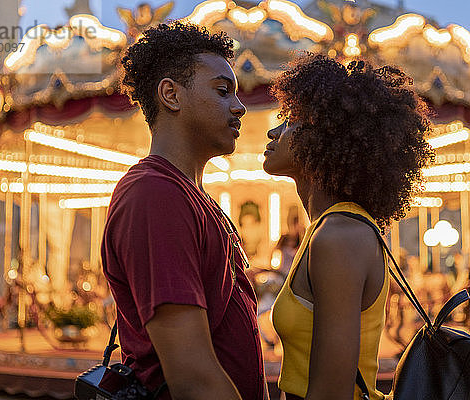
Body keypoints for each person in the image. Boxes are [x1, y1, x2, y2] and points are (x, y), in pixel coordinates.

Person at [102, 22, 267, 400]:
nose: (239, 106)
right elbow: (193, 378)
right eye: (223, 91)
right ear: (171, 95)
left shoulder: (194, 197)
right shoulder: (154, 194)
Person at [264, 54, 434, 399]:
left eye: (290, 120)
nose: (274, 130)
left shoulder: (340, 235)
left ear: (324, 137)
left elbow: (331, 393)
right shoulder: (327, 229)